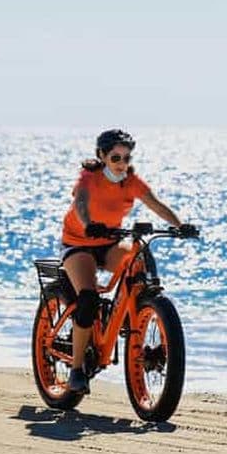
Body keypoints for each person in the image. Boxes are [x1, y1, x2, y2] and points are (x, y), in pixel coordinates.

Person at [60, 128, 195, 394]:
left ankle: (140, 310)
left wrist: (180, 226)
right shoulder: (89, 177)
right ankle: (77, 370)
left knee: (140, 257)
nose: (122, 164)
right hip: (79, 243)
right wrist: (89, 225)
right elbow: (81, 204)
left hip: (109, 243)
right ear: (101, 156)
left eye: (127, 158)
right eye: (116, 158)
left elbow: (155, 204)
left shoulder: (131, 181)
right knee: (87, 298)